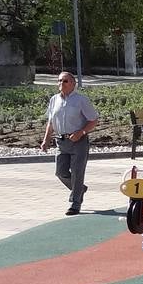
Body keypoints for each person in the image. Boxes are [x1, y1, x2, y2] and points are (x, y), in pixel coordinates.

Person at [39, 71, 99, 215]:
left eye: (65, 81)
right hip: (61, 141)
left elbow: (93, 120)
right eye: (59, 81)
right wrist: (46, 139)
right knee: (60, 172)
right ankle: (79, 189)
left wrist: (81, 133)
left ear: (73, 84)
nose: (61, 84)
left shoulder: (81, 100)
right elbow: (51, 121)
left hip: (78, 141)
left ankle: (75, 203)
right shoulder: (54, 99)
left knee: (78, 173)